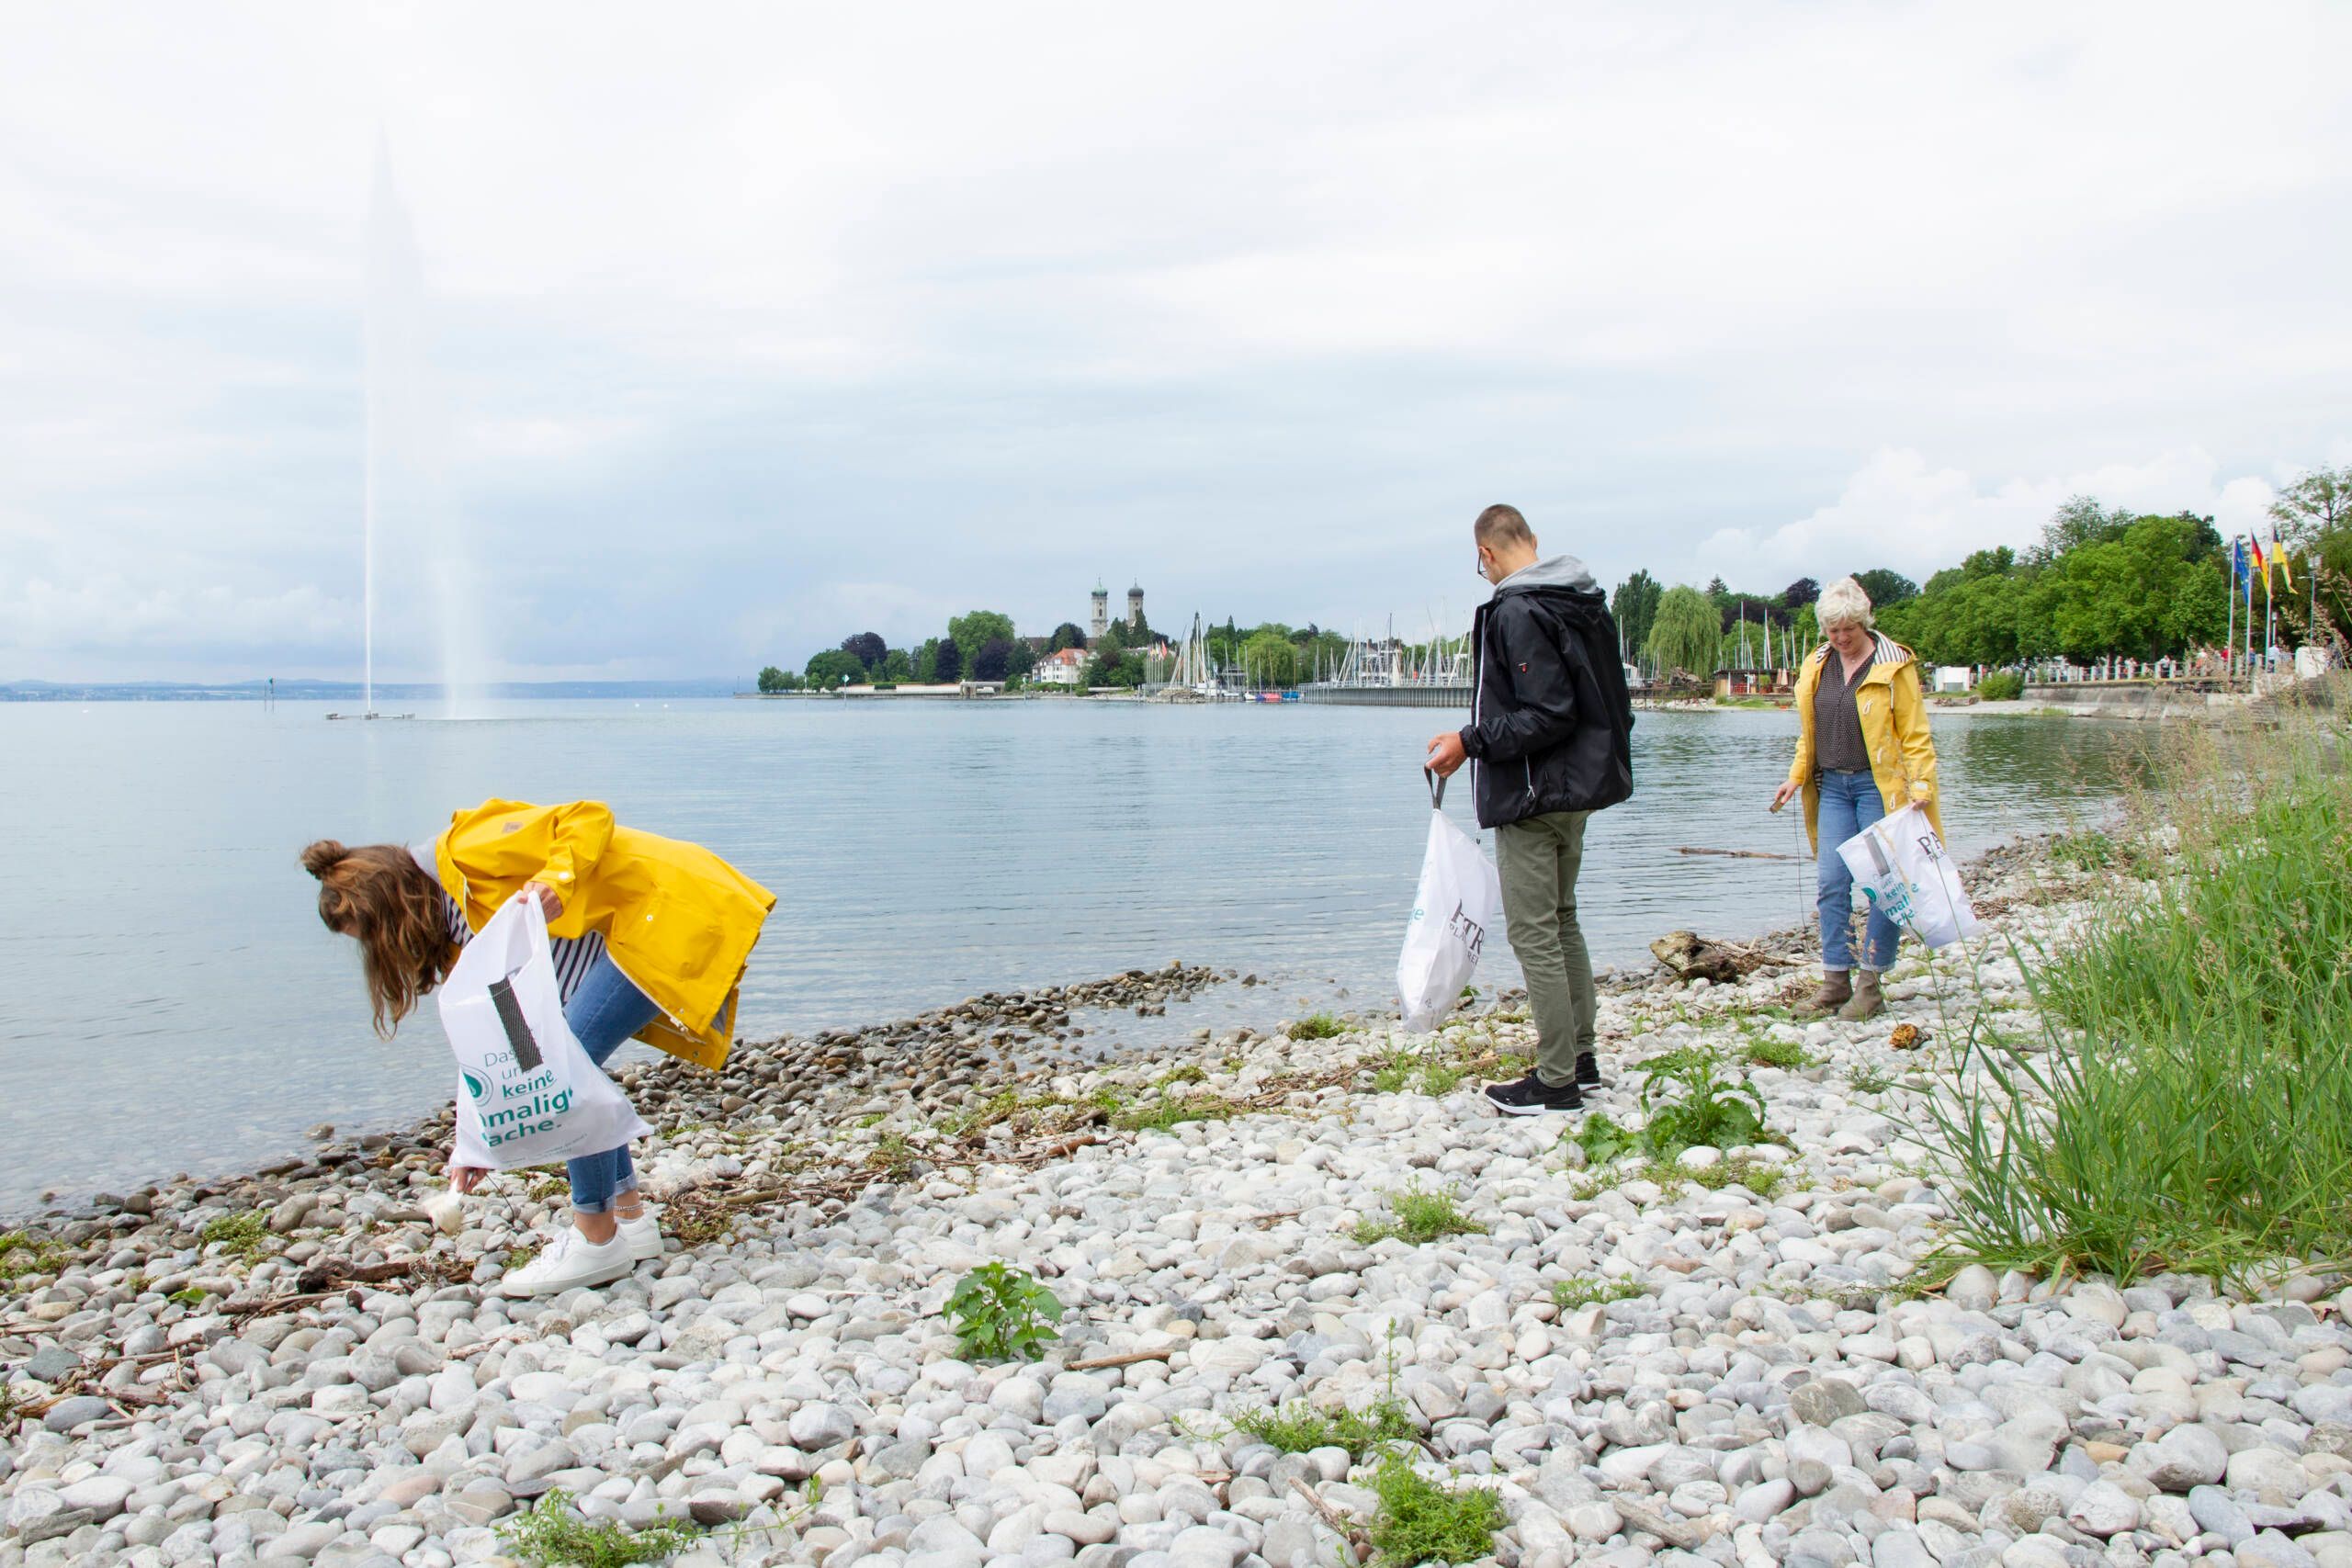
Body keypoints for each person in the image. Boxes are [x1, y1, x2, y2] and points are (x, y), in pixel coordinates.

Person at [303, 798, 775, 1296]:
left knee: (567, 1068)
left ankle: (596, 1239)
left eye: (376, 935)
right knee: (565, 1067)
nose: (384, 949)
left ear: (393, 902)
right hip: (636, 931)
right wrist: (476, 1140)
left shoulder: (467, 849)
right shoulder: (459, 933)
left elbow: (588, 816)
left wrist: (556, 881)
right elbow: (514, 1042)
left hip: (668, 907)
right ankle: (629, 1219)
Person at [1425, 503, 1634, 1114]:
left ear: (1486, 554)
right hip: (1577, 790)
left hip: (1533, 794)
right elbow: (1606, 704)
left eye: (1481, 564)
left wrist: (1469, 741)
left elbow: (1547, 711)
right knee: (1563, 920)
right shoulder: (1584, 601)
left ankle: (1556, 1078)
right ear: (1532, 540)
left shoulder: (1517, 609)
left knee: (1534, 932)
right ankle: (1582, 1060)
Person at [1770, 577, 1942, 1021]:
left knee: (1883, 885)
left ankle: (1870, 985)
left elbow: (1916, 734)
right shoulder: (1817, 664)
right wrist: (1795, 776)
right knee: (1831, 882)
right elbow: (1810, 733)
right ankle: (1834, 982)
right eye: (1833, 631)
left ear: (1864, 623)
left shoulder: (1894, 665)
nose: (1842, 638)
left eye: (1849, 629)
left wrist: (1921, 787)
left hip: (1878, 788)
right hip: (1832, 788)